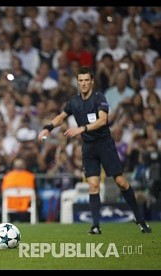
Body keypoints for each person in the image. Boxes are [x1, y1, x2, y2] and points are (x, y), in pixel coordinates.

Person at [37, 66, 152, 234]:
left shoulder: (99, 98)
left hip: (105, 144)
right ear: (78, 82)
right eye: (80, 81)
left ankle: (139, 219)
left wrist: (81, 129)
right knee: (93, 185)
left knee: (120, 182)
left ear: (92, 82)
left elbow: (102, 121)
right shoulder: (74, 102)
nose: (83, 84)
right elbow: (61, 117)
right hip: (89, 148)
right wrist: (47, 128)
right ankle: (96, 226)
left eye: (86, 81)